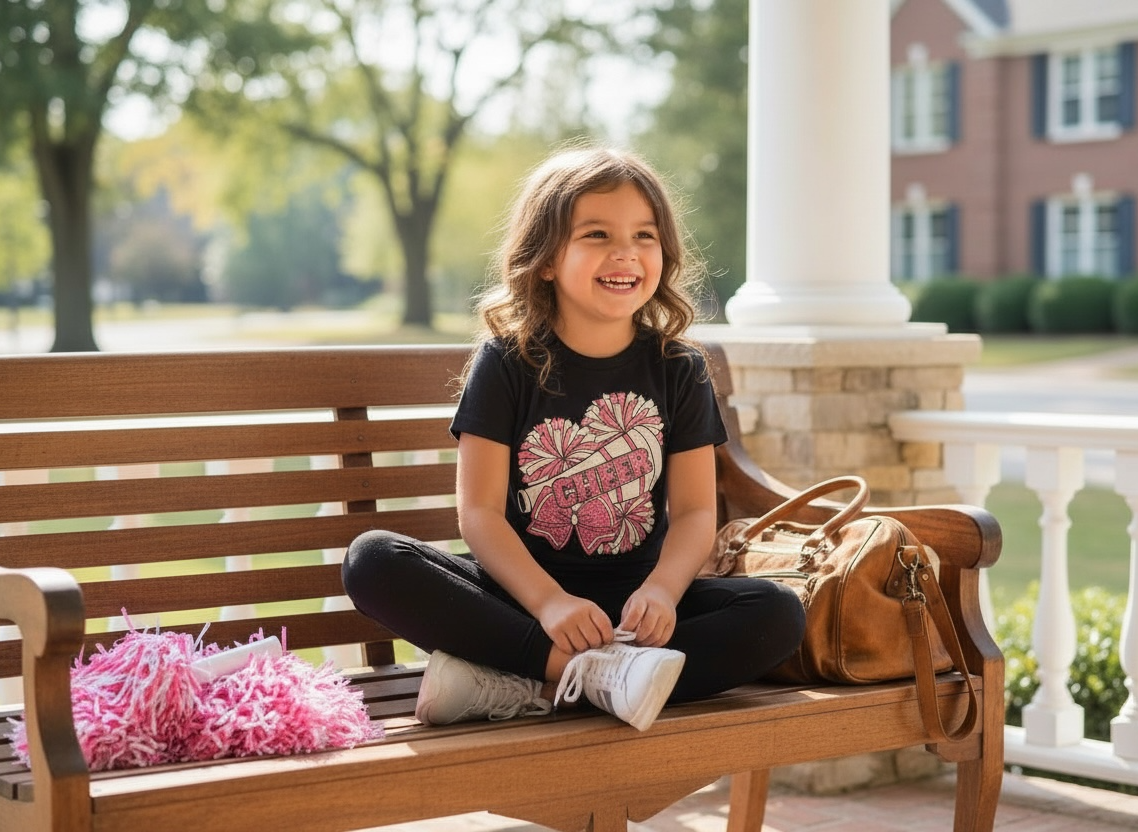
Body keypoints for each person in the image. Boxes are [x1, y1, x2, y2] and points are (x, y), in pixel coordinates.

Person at [342, 146, 806, 732]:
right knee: (372, 560)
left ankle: (523, 684)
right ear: (544, 260)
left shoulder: (678, 368)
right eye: (597, 234)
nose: (625, 252)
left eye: (644, 235)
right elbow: (480, 514)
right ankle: (594, 676)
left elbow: (694, 512)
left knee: (777, 614)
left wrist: (663, 592)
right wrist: (550, 603)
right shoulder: (506, 363)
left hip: (636, 612)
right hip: (522, 600)